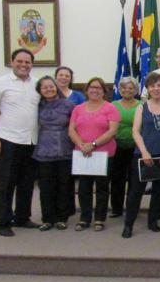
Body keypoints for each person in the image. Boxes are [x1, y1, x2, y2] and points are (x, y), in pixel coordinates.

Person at [0, 48, 40, 237]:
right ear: (12, 62)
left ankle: (22, 217)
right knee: (7, 184)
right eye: (20, 61)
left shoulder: (37, 84)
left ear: (32, 64)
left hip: (32, 141)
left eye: (27, 62)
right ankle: (4, 222)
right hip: (9, 140)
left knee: (27, 183)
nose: (24, 65)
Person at [122, 72, 160, 238]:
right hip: (142, 154)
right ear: (147, 88)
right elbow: (135, 131)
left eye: (159, 85)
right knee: (135, 192)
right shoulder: (141, 107)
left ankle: (153, 221)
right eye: (152, 86)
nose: (156, 88)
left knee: (159, 191)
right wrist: (144, 152)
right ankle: (128, 225)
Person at [68, 77, 121, 232]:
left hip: (103, 153)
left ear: (104, 91)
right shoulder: (78, 109)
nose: (95, 90)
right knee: (84, 187)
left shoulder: (110, 108)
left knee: (102, 187)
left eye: (98, 88)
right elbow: (71, 130)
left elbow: (112, 130)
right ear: (86, 90)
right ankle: (84, 218)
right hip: (82, 153)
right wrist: (81, 145)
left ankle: (99, 218)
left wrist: (93, 144)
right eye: (92, 87)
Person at [32, 76, 75, 231]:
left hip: (65, 149)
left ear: (56, 87)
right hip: (44, 149)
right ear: (40, 90)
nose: (49, 89)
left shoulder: (68, 105)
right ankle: (48, 218)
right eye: (45, 87)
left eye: (51, 86)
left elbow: (75, 126)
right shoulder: (36, 106)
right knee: (45, 186)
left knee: (64, 185)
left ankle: (62, 218)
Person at [109, 76, 139, 218]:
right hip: (117, 146)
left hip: (135, 147)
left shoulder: (141, 105)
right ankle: (116, 208)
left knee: (134, 179)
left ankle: (132, 207)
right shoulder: (113, 105)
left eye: (131, 87)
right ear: (119, 89)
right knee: (117, 178)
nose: (127, 90)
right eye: (124, 87)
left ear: (135, 90)